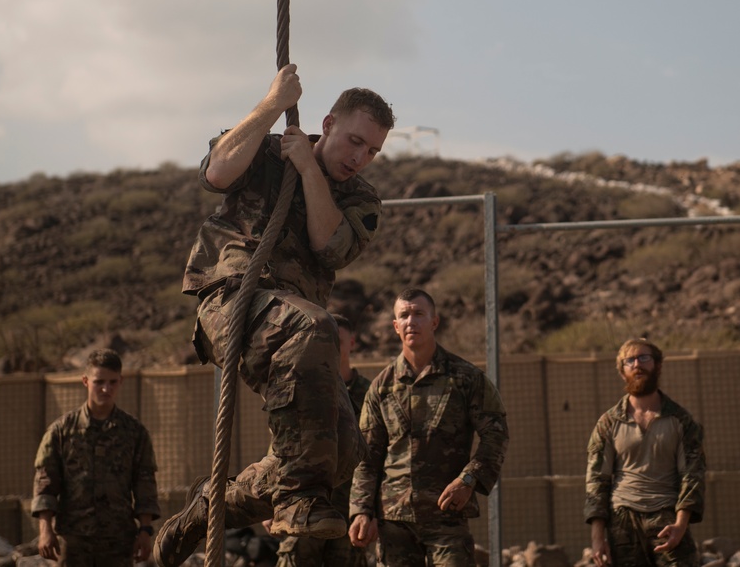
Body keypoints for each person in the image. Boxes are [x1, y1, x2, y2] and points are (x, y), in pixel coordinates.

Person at [154, 65, 396, 567]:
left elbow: (330, 247)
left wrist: (309, 169)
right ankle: (296, 499)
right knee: (316, 326)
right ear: (327, 123)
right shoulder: (265, 148)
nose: (360, 157)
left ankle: (203, 513)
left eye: (372, 150)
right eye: (354, 141)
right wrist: (271, 105)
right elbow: (215, 173)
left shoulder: (361, 199)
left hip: (291, 325)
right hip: (232, 300)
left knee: (344, 450)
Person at [348, 287, 509, 566]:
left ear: (434, 321)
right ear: (396, 327)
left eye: (419, 314)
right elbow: (367, 458)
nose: (412, 321)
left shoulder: (466, 379)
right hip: (394, 521)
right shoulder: (381, 387)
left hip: (446, 517)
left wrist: (469, 479)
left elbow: (496, 434)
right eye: (404, 316)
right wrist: (361, 511)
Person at [31, 348, 160, 566]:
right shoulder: (61, 431)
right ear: (85, 381)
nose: (105, 388)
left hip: (118, 541)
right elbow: (45, 484)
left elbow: (145, 484)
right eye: (99, 381)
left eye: (112, 382)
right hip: (74, 541)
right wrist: (45, 530)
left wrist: (145, 531)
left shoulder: (134, 432)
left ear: (121, 381)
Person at [584, 338, 706, 567]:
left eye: (644, 358)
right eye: (629, 360)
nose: (637, 364)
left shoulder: (681, 421)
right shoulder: (608, 423)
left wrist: (680, 525)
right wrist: (598, 538)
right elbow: (596, 480)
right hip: (623, 523)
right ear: (622, 372)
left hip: (666, 519)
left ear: (658, 366)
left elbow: (692, 475)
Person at [264, 312, 372, 567]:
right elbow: (282, 448)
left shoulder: (369, 394)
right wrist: (271, 501)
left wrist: (368, 510)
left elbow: (376, 455)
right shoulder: (305, 389)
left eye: (338, 340)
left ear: (351, 344)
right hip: (303, 505)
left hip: (348, 510)